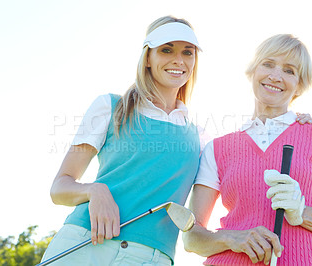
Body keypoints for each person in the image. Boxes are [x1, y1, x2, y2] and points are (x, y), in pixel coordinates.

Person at [182, 34, 312, 265]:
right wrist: (233, 238)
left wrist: (302, 212)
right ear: (253, 71)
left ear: (300, 84)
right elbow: (191, 237)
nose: (275, 76)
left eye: (289, 70)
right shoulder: (217, 148)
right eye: (268, 64)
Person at [41, 15, 203, 265]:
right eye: (166, 50)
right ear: (148, 58)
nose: (178, 60)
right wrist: (95, 190)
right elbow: (59, 189)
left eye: (188, 52)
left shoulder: (198, 136)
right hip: (85, 243)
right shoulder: (111, 107)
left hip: (150, 257)